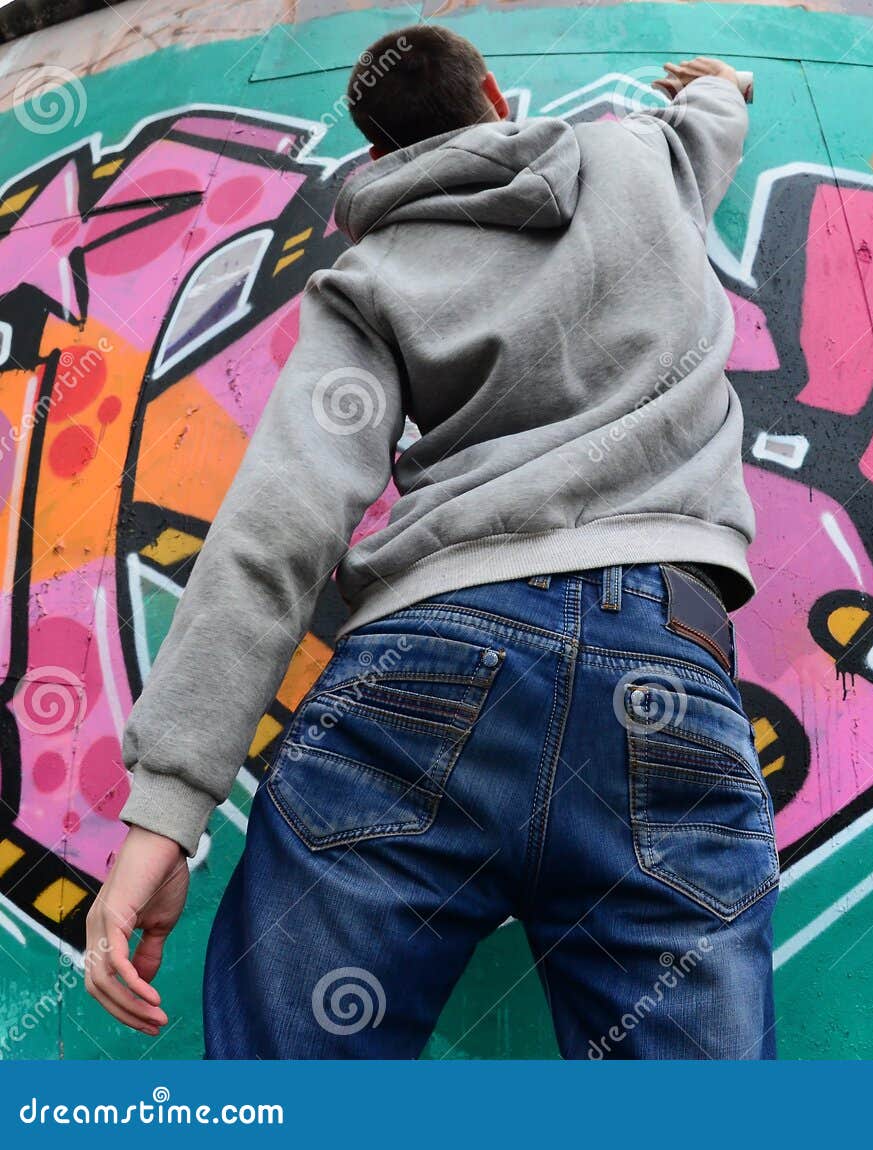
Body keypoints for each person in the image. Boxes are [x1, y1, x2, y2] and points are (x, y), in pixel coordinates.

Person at [83, 24, 776, 1059]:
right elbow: (709, 124)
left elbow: (280, 525)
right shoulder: (643, 159)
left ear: (375, 155)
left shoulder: (369, 276)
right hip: (664, 657)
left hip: (425, 667)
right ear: (495, 94)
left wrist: (166, 808)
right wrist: (724, 85)